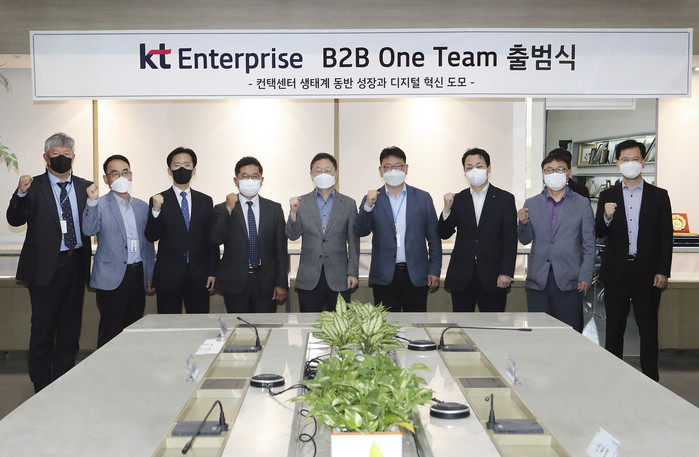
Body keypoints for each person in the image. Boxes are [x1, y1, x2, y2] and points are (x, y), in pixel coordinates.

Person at [6, 132, 92, 392]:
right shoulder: (33, 186)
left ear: (74, 157)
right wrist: (20, 193)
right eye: (56, 154)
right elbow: (14, 219)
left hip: (75, 265)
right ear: (46, 157)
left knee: (70, 328)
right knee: (43, 329)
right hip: (45, 267)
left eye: (67, 154)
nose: (62, 158)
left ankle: (63, 382)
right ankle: (41, 385)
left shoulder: (86, 187)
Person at [596, 139, 673, 381]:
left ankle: (650, 379)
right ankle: (613, 378)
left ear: (643, 162)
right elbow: (599, 231)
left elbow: (666, 236)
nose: (631, 163)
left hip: (648, 272)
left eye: (635, 159)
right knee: (614, 329)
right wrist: (606, 217)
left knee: (648, 329)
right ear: (618, 164)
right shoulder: (607, 195)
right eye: (625, 159)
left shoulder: (659, 196)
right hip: (616, 271)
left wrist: (663, 270)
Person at [353, 146, 441, 312]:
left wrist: (435, 270)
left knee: (416, 323)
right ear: (381, 171)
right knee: (386, 325)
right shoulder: (372, 198)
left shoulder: (423, 198)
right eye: (387, 167)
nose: (393, 171)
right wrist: (368, 206)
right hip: (384, 276)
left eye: (397, 166)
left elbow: (434, 238)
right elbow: (360, 231)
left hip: (416, 274)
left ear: (406, 168)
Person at [517, 148, 595, 331]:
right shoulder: (531, 203)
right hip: (538, 280)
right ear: (543, 175)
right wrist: (522, 223)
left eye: (559, 169)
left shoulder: (582, 203)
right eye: (549, 170)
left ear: (568, 173)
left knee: (569, 332)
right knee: (539, 332)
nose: (554, 174)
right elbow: (525, 240)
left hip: (570, 279)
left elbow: (589, 244)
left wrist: (585, 275)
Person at [82, 155, 155, 347]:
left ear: (131, 175)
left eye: (125, 173)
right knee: (110, 331)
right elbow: (88, 230)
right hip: (111, 277)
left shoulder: (142, 206)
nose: (121, 177)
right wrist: (91, 202)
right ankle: (105, 366)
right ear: (106, 179)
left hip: (137, 275)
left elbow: (147, 245)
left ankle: (130, 365)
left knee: (133, 330)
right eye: (115, 174)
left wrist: (149, 275)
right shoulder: (99, 204)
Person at [438, 148, 517, 312]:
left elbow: (510, 239)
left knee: (492, 324)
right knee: (461, 324)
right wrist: (446, 209)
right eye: (469, 167)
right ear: (464, 171)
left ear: (489, 168)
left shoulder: (505, 199)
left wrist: (506, 272)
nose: (474, 171)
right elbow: (444, 233)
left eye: (479, 166)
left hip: (493, 276)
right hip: (462, 276)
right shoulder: (458, 199)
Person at [145, 147, 218, 314]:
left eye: (187, 164)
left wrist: (213, 272)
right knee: (168, 325)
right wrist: (155, 210)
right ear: (169, 170)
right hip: (168, 276)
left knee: (198, 323)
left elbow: (211, 239)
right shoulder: (158, 199)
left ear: (194, 169)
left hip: (199, 275)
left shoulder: (205, 201)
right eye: (177, 165)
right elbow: (151, 235)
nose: (182, 169)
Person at [211, 156, 288, 313]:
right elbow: (216, 238)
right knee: (237, 326)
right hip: (235, 282)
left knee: (265, 326)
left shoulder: (274, 209)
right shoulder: (222, 208)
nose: (250, 180)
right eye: (245, 176)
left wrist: (281, 282)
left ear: (261, 180)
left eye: (255, 176)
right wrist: (228, 210)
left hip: (266, 282)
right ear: (236, 180)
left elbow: (280, 249)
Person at [286, 153, 360, 312]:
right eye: (318, 170)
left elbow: (354, 243)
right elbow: (292, 235)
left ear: (336, 173)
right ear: (311, 174)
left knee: (340, 325)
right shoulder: (301, 202)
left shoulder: (348, 204)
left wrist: (353, 272)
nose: (323, 174)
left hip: (339, 278)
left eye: (328, 170)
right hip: (309, 278)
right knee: (309, 324)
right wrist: (293, 213)